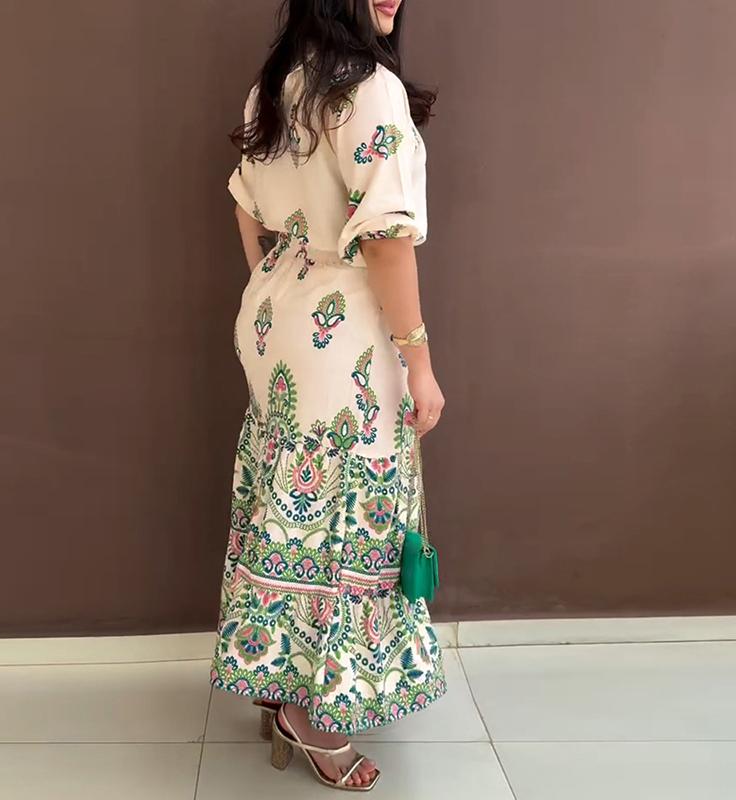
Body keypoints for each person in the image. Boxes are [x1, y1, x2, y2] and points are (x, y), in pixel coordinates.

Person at [210, 0, 446, 790]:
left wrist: (281, 280)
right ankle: (313, 713)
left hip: (277, 314)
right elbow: (385, 240)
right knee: (345, 514)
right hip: (345, 335)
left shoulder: (278, 83)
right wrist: (419, 359)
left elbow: (245, 204)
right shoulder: (369, 87)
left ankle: (278, 680)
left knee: (289, 500)